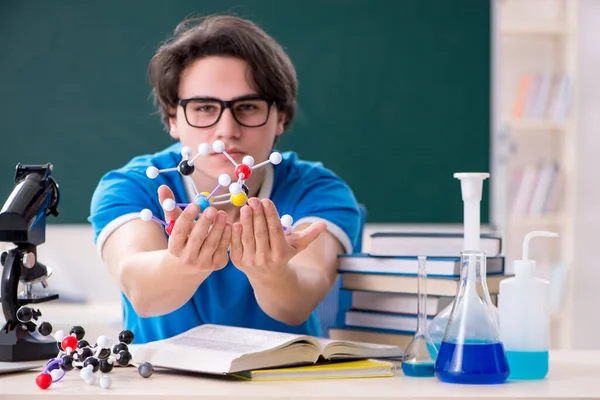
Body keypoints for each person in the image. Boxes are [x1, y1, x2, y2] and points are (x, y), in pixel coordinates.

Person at [89, 15, 362, 344]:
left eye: (248, 106)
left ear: (281, 118)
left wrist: (271, 272)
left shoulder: (318, 190)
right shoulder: (133, 185)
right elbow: (142, 292)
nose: (227, 130)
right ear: (173, 119)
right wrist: (184, 264)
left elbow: (297, 304)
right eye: (204, 107)